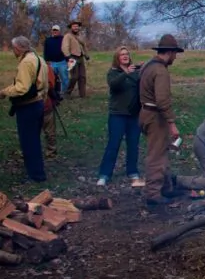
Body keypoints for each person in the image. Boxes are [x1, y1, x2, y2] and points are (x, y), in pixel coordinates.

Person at [139, 34, 185, 206]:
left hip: (145, 113)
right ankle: (153, 193)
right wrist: (172, 123)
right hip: (155, 116)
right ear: (170, 52)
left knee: (162, 151)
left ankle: (166, 188)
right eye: (175, 54)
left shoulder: (147, 66)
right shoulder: (160, 71)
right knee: (156, 156)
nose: (175, 57)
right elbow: (162, 100)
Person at [0, 36, 49, 183]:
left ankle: (36, 175)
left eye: (13, 48)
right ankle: (37, 171)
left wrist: (5, 92)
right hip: (38, 103)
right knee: (34, 140)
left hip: (28, 106)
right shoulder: (39, 59)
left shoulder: (26, 62)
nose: (13, 51)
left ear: (18, 48)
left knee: (28, 142)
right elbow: (44, 84)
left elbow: (22, 88)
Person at [97, 46, 144, 187]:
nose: (125, 56)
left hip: (134, 115)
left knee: (133, 144)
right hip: (117, 114)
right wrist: (126, 73)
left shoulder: (135, 73)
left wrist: (143, 69)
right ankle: (105, 174)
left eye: (127, 54)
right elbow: (114, 85)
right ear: (117, 58)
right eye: (122, 54)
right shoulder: (113, 72)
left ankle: (132, 172)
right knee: (113, 144)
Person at [61, 20, 89, 98]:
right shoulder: (67, 36)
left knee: (82, 77)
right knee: (74, 77)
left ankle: (82, 94)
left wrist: (86, 55)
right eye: (74, 26)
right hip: (72, 57)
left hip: (80, 57)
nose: (76, 28)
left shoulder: (80, 36)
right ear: (71, 27)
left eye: (77, 26)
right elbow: (64, 47)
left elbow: (83, 46)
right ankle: (67, 93)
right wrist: (68, 56)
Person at [42, 61, 62, 158]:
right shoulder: (46, 67)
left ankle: (51, 151)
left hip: (43, 102)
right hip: (42, 103)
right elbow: (51, 85)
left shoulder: (46, 67)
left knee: (49, 130)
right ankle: (51, 151)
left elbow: (51, 85)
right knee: (49, 129)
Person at [43, 24, 69, 96]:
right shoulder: (48, 40)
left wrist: (68, 60)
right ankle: (54, 93)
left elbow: (67, 49)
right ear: (51, 31)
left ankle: (64, 93)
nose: (55, 31)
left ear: (59, 31)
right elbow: (45, 51)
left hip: (62, 62)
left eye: (56, 30)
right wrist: (46, 61)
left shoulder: (63, 39)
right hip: (52, 63)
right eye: (54, 30)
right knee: (52, 78)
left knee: (64, 79)